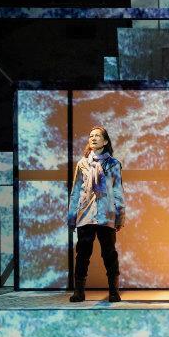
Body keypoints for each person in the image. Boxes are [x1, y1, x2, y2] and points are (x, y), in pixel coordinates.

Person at [67, 126, 126, 302]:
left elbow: (118, 191)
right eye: (91, 135)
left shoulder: (113, 164)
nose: (93, 138)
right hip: (85, 214)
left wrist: (120, 215)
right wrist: (71, 217)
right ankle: (79, 291)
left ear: (105, 141)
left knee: (109, 254)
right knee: (83, 255)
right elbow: (75, 191)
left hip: (106, 215)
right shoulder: (82, 164)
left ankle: (114, 291)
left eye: (97, 136)